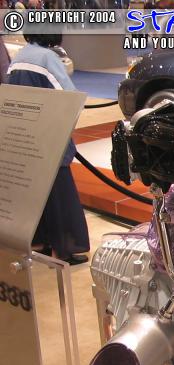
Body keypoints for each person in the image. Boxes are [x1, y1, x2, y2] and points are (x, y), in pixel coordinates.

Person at [7, 34, 90, 265]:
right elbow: (70, 97)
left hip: (25, 137)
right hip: (51, 137)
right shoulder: (47, 57)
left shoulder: (19, 57)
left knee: (35, 195)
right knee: (60, 195)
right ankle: (65, 250)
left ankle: (40, 243)